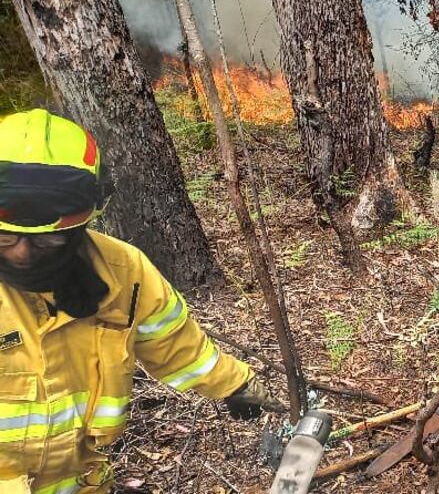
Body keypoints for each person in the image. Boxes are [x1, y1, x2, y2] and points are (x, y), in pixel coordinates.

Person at [0, 109, 281, 494]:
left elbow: (176, 345)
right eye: (5, 239)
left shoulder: (122, 272)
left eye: (46, 240)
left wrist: (234, 385)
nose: (21, 254)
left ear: (81, 224)